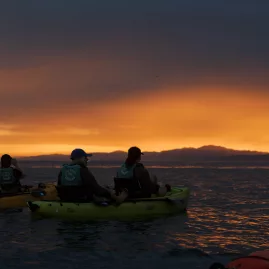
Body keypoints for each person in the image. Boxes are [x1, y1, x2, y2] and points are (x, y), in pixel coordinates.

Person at [57, 148, 126, 203]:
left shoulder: (63, 170)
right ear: (79, 158)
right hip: (82, 199)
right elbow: (96, 188)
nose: (87, 160)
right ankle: (118, 199)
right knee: (106, 191)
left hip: (66, 198)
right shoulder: (83, 170)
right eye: (85, 158)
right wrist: (109, 192)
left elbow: (60, 185)